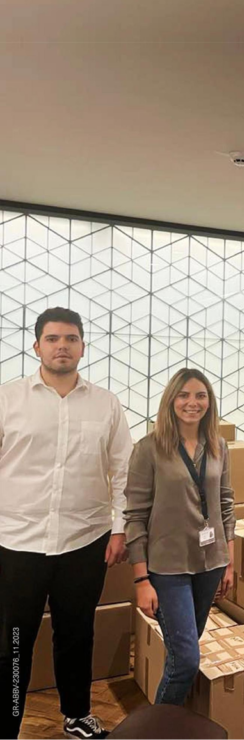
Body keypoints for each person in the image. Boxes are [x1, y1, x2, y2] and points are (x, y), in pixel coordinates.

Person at [0, 307, 134, 740]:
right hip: (16, 541)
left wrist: (120, 528)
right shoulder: (8, 399)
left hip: (85, 539)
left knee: (76, 633)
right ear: (36, 346)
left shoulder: (105, 403)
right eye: (53, 338)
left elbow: (124, 470)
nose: (62, 346)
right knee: (13, 642)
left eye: (71, 338)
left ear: (82, 347)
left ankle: (77, 715)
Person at [124, 368, 235, 706]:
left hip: (210, 563)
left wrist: (229, 563)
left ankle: (172, 720)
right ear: (171, 400)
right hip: (167, 568)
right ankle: (157, 727)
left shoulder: (218, 445)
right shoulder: (149, 448)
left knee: (181, 653)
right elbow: (135, 516)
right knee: (186, 660)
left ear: (209, 402)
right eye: (184, 395)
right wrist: (141, 579)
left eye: (200, 395)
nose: (192, 402)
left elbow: (226, 504)